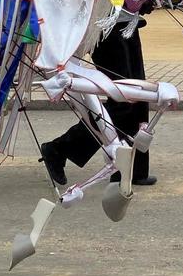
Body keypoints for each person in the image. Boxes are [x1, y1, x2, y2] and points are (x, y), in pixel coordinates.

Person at [40, 10, 158, 189]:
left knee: (139, 94)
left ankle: (133, 169)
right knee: (123, 99)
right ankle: (59, 149)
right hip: (103, 25)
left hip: (129, 20)